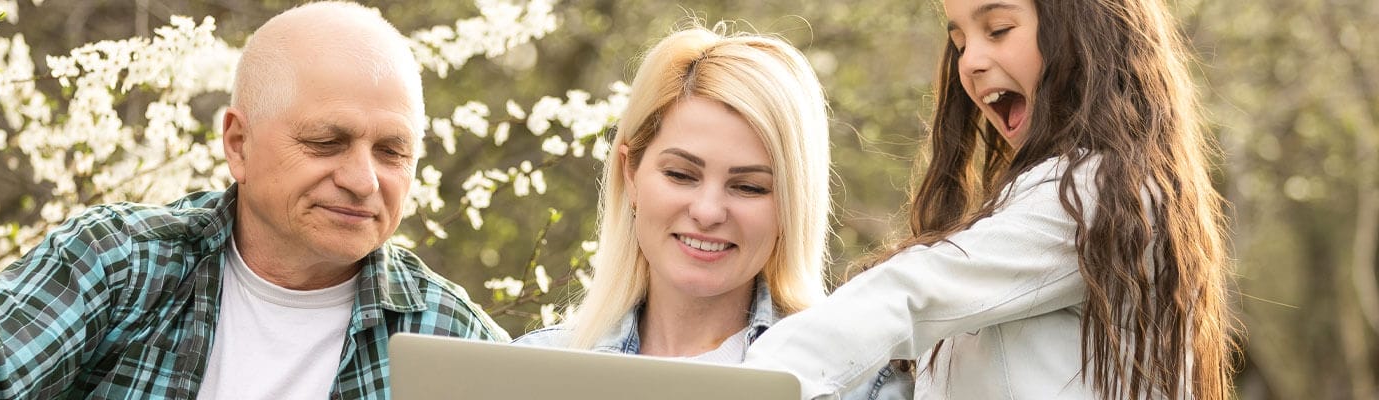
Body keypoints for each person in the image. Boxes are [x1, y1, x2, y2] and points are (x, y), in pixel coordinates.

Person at [0, 2, 506, 399]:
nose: (364, 180)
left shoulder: (449, 336)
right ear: (237, 145)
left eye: (393, 151)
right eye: (328, 142)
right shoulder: (117, 264)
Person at [737, 0, 1234, 398]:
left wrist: (745, 384)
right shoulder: (1056, 194)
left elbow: (912, 292)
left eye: (997, 29)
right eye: (959, 41)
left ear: (1083, 31)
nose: (970, 62)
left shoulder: (1101, 194)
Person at [510, 25, 910, 399]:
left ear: (793, 205)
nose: (706, 211)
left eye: (749, 187)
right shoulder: (527, 373)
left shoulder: (857, 384)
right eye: (681, 174)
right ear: (630, 173)